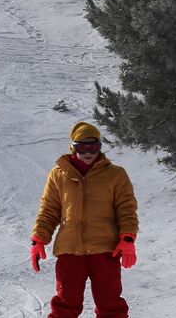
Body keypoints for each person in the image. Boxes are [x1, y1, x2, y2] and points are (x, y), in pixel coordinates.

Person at [29, 121, 139, 318]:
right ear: (73, 147)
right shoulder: (58, 175)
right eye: (82, 147)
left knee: (111, 305)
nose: (88, 152)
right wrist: (39, 240)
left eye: (93, 146)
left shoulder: (116, 174)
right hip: (70, 252)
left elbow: (126, 209)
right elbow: (49, 210)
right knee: (65, 306)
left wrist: (127, 238)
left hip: (105, 251)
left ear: (99, 147)